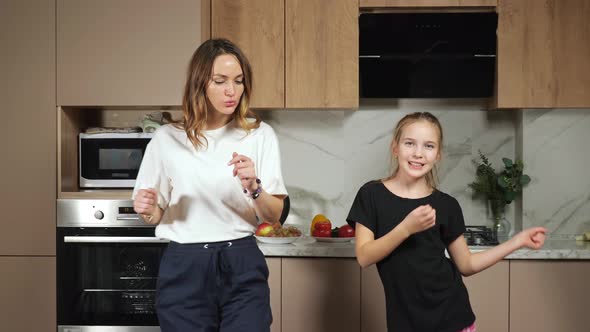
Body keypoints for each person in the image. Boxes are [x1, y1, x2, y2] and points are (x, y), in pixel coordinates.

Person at [132, 38, 288, 332]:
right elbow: (153, 215)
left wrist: (255, 187)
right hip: (184, 267)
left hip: (241, 262)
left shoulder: (259, 134)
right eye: (220, 81)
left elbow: (274, 216)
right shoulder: (167, 138)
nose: (232, 91)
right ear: (200, 83)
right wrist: (147, 208)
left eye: (239, 81)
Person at [346, 112, 546, 332]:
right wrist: (406, 228)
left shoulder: (446, 205)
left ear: (438, 155)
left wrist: (517, 242)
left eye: (429, 146)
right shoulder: (371, 195)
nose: (418, 153)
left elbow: (466, 265)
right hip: (405, 323)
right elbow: (364, 257)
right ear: (395, 148)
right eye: (409, 143)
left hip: (453, 317)